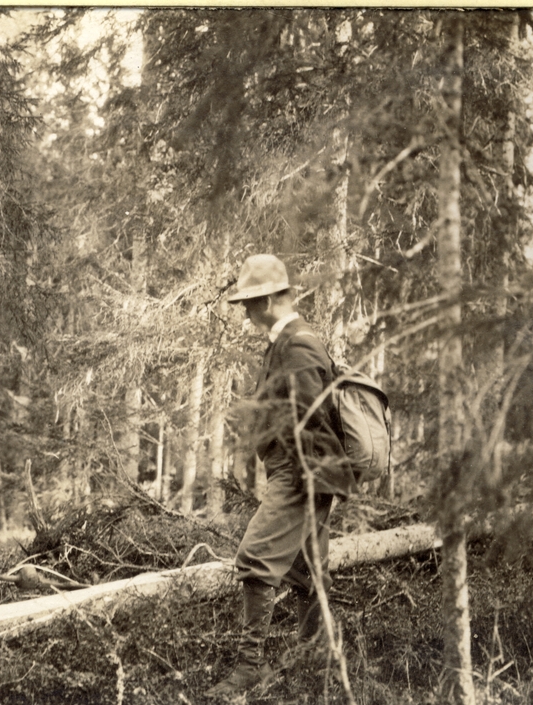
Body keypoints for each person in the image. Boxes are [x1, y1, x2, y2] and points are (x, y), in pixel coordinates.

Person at [207, 254, 355, 699]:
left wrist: (301, 484)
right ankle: (316, 664)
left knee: (254, 561)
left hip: (301, 475)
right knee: (309, 571)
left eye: (250, 302)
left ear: (271, 298)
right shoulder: (284, 341)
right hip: (299, 473)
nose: (245, 311)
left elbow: (314, 420)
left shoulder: (299, 343)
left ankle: (250, 668)